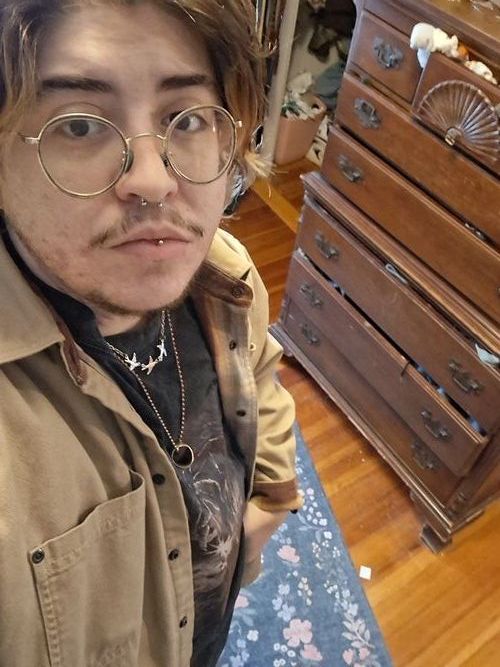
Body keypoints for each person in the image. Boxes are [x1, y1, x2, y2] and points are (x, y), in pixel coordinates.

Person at [0, 1, 302, 665]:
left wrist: (271, 501)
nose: (153, 180)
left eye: (186, 119)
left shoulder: (225, 272)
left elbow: (262, 375)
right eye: (80, 125)